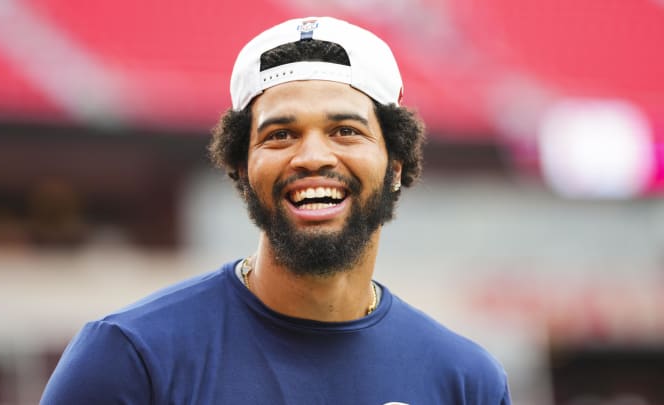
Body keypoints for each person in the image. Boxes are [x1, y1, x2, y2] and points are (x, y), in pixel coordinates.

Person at [41, 16, 511, 404]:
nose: (312, 157)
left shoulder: (466, 382)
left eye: (345, 130)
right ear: (242, 170)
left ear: (395, 164)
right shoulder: (129, 357)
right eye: (280, 135)